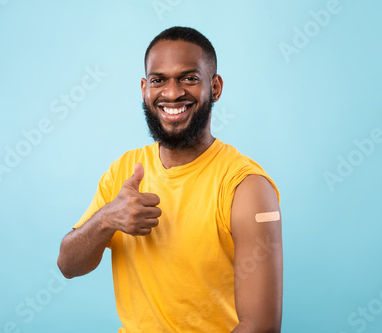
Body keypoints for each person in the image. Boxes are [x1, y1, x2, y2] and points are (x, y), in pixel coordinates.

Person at [57, 26, 283, 333]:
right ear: (144, 88)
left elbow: (261, 327)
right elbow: (68, 265)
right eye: (158, 80)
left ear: (215, 87)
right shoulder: (123, 171)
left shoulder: (246, 186)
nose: (173, 93)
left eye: (189, 78)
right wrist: (107, 218)